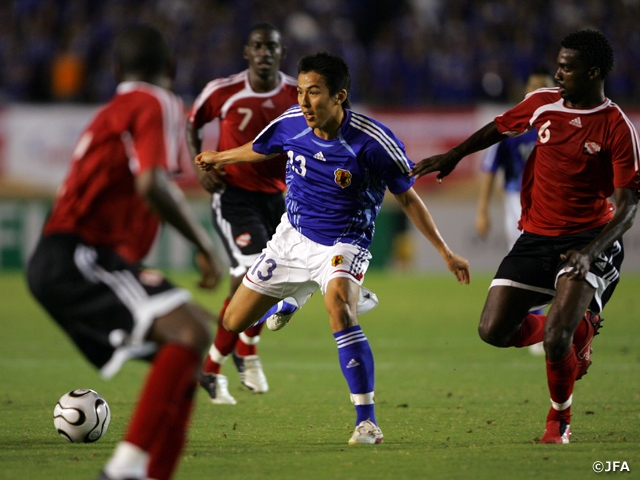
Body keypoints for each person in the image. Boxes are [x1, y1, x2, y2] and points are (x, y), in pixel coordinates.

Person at [195, 51, 471, 445]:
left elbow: (408, 198)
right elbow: (262, 146)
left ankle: (367, 422)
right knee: (233, 321)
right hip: (291, 238)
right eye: (301, 92)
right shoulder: (291, 123)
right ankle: (294, 296)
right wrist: (221, 157)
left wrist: (445, 252)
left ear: (339, 96)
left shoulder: (373, 143)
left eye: (315, 93)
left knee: (339, 307)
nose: (305, 102)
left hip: (344, 241)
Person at [412, 29, 639, 444]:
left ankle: (560, 422)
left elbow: (627, 209)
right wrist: (453, 155)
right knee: (493, 330)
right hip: (536, 237)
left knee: (555, 338)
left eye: (567, 67)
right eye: (558, 63)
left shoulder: (617, 128)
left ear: (592, 73)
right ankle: (581, 331)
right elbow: (497, 129)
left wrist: (591, 253)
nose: (558, 72)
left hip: (587, 240)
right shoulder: (542, 103)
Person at [26, 25, 224, 480]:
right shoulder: (156, 101)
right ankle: (122, 471)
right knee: (189, 334)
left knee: (192, 343)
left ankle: (148, 473)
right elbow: (150, 182)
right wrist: (203, 245)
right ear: (171, 70)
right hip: (79, 256)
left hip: (74, 258)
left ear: (116, 71)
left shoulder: (114, 109)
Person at [186, 23, 298, 404]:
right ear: (247, 52)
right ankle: (224, 362)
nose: (264, 52)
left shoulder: (296, 93)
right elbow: (193, 122)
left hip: (280, 199)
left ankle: (238, 353)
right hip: (233, 195)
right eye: (258, 46)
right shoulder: (222, 91)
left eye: (272, 47)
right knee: (253, 277)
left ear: (281, 53)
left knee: (268, 283)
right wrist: (200, 166)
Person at [475, 67, 555, 356]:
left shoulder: (561, 122)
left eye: (544, 88)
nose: (538, 94)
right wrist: (482, 210)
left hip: (554, 202)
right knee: (525, 261)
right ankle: (535, 322)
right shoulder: (515, 127)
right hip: (516, 201)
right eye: (533, 89)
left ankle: (552, 322)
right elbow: (489, 169)